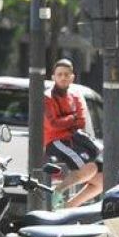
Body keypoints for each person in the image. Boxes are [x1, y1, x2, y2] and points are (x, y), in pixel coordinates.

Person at [45, 59, 103, 208]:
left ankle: (68, 208)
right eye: (59, 74)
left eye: (66, 74)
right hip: (56, 141)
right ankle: (58, 191)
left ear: (72, 77)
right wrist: (72, 118)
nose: (63, 77)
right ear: (53, 77)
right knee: (90, 168)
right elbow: (53, 124)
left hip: (74, 140)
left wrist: (65, 120)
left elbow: (81, 121)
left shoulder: (76, 96)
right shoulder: (48, 97)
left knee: (101, 181)